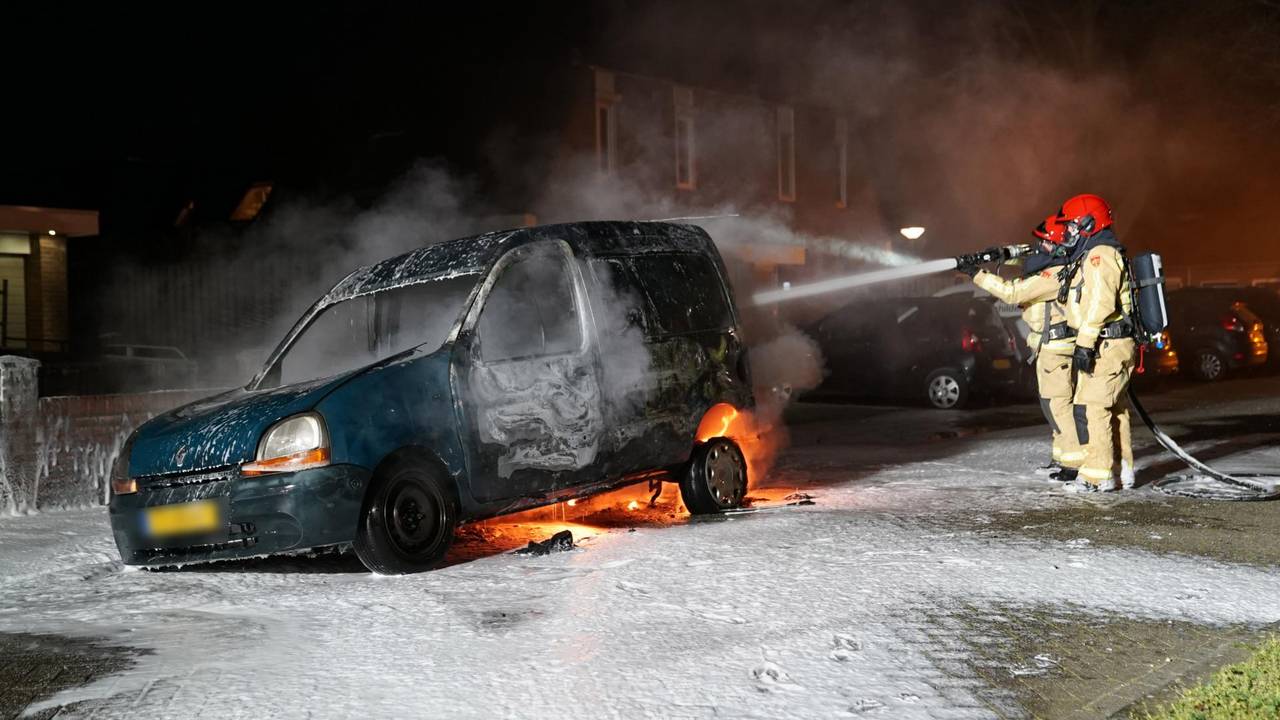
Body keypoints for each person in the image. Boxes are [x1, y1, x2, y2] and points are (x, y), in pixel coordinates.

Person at [958, 216, 1082, 479]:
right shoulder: (1052, 263)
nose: (1040, 246)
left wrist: (976, 274)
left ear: (1060, 245)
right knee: (1052, 404)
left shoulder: (1055, 274)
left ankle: (1073, 464)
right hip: (1050, 347)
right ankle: (1062, 458)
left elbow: (1013, 293)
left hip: (1056, 348)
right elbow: (1028, 256)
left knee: (1058, 405)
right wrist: (995, 255)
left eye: (1046, 242)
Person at [1055, 193, 1136, 492]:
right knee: (1114, 409)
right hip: (1110, 344)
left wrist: (1084, 344)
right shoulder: (1095, 253)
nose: (1068, 233)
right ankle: (1122, 470)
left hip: (1106, 345)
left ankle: (1096, 477)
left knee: (1094, 409)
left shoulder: (1100, 255)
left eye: (1073, 226)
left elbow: (1100, 305)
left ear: (1089, 223)